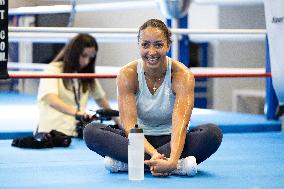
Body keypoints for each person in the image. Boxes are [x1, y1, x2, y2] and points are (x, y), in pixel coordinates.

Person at [83, 19, 222, 177]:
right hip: (137, 141)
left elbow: (180, 125)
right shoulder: (128, 74)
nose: (151, 51)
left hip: (172, 141)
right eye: (145, 45)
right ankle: (176, 166)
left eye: (158, 44)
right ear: (139, 46)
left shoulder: (182, 75)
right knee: (91, 131)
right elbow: (129, 126)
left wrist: (172, 159)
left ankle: (130, 164)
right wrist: (155, 155)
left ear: (168, 46)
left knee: (212, 133)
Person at [36, 34, 120, 139]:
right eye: (84, 55)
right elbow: (51, 100)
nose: (86, 61)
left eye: (91, 57)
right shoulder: (53, 70)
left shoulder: (86, 74)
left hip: (75, 134)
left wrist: (118, 121)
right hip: (51, 134)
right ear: (73, 54)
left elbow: (100, 99)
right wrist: (78, 113)